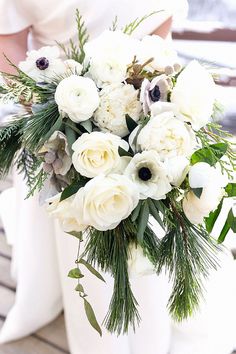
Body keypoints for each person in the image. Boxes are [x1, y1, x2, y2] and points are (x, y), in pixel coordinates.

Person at [0, 1, 236, 354]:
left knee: (151, 223)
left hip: (148, 108)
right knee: (81, 227)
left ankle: (150, 322)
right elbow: (8, 40)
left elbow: (161, 24)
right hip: (61, 116)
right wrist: (50, 115)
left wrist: (151, 93)